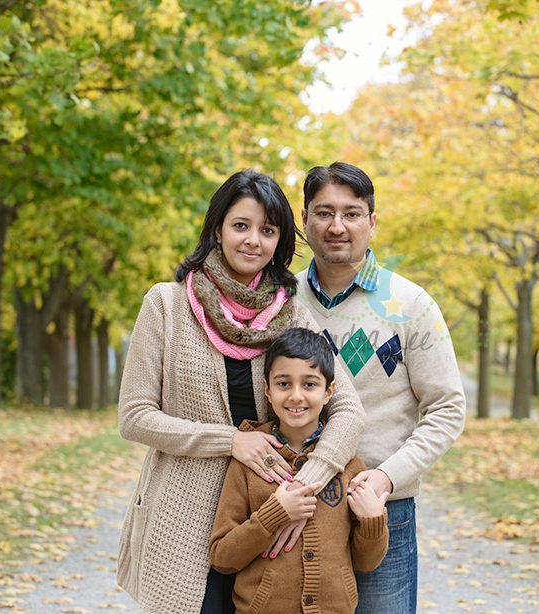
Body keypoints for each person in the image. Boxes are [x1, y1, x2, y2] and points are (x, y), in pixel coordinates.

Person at [116, 170, 365, 614]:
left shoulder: (291, 313)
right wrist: (231, 441)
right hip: (182, 515)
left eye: (267, 230)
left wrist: (303, 493)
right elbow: (134, 416)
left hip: (266, 518)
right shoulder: (166, 305)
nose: (253, 240)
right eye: (241, 225)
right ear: (217, 229)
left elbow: (348, 409)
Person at [289, 161, 466, 613]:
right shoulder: (281, 301)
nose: (337, 226)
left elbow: (446, 408)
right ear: (305, 222)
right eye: (323, 213)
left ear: (372, 222)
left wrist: (389, 477)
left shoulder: (410, 304)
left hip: (381, 509)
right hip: (295, 506)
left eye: (351, 213)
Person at [208, 327, 389, 613]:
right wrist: (273, 514)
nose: (295, 396)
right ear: (267, 390)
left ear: (329, 391)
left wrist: (373, 519)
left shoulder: (347, 464)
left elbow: (366, 563)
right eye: (283, 384)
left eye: (309, 384)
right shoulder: (248, 463)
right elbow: (223, 558)